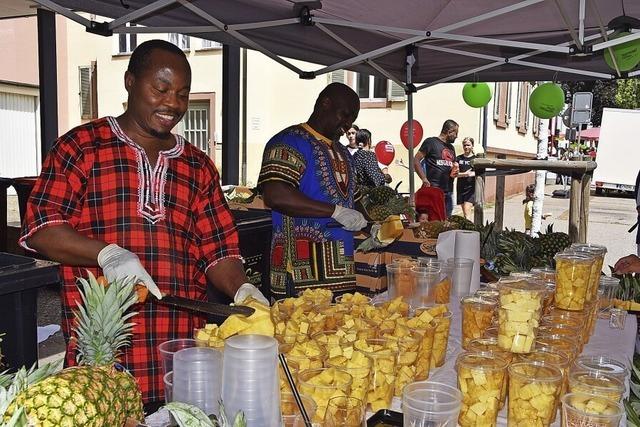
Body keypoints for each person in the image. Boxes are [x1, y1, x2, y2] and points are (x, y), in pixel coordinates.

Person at [18, 40, 267, 405]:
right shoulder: (81, 147)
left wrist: (242, 289)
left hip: (180, 352)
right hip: (105, 358)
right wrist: (107, 254)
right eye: (161, 89)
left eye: (182, 94)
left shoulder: (198, 166)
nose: (173, 104)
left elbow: (219, 249)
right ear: (130, 81)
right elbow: (41, 228)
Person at [258, 83, 367, 298]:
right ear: (325, 104)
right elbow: (275, 194)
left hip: (341, 270)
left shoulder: (343, 152)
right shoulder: (289, 141)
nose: (347, 125)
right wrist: (334, 211)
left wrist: (372, 225)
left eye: (352, 119)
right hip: (301, 273)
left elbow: (352, 199)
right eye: (344, 115)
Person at [413, 119, 459, 217]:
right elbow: (416, 160)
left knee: (447, 223)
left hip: (448, 192)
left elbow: (451, 166)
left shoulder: (451, 148)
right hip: (434, 191)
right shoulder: (431, 142)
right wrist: (424, 178)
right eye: (456, 133)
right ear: (449, 131)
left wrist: (455, 170)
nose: (457, 136)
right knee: (435, 222)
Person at [455, 137, 476, 220]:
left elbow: (479, 173)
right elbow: (454, 174)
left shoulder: (475, 159)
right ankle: (468, 229)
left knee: (467, 212)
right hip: (461, 188)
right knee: (465, 213)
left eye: (468, 145)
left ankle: (469, 231)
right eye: (464, 145)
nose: (466, 147)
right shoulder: (458, 158)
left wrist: (472, 174)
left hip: (471, 189)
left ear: (472, 146)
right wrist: (465, 174)